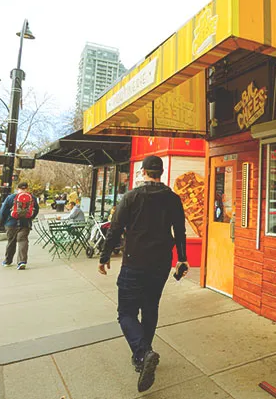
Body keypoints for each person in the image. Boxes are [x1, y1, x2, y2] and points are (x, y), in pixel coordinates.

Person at [98, 155, 188, 393]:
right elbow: (180, 230)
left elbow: (115, 229)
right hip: (160, 264)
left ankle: (144, 352)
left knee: (126, 313)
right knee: (150, 308)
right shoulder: (172, 198)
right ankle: (142, 357)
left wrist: (105, 256)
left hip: (134, 262)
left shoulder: (131, 197)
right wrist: (182, 258)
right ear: (160, 172)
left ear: (143, 171)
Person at [0, 182, 40, 270]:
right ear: (27, 188)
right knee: (23, 241)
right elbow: (36, 209)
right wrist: (31, 218)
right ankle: (22, 261)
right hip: (25, 223)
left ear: (17, 188)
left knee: (11, 242)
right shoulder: (32, 198)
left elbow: (3, 211)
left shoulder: (10, 197)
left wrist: (3, 222)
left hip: (11, 223)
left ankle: (8, 261)